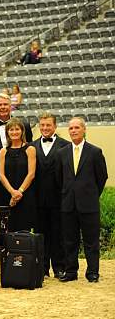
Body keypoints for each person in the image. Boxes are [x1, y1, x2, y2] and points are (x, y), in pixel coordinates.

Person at [56, 117, 108, 283]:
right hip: (68, 204)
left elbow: (102, 177)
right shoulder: (61, 153)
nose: (73, 131)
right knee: (69, 240)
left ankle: (92, 272)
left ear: (84, 130)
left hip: (89, 205)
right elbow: (59, 179)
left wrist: (91, 195)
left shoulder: (95, 152)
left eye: (77, 128)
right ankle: (71, 271)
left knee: (91, 241)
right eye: (71, 128)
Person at [31, 112, 69, 278]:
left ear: (55, 126)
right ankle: (42, 267)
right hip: (38, 199)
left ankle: (59, 267)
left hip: (59, 198)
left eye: (48, 125)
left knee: (58, 234)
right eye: (43, 125)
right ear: (39, 126)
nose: (45, 128)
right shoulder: (31, 146)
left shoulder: (65, 146)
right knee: (40, 234)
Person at [0, 93, 32, 205]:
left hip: (21, 179)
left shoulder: (24, 125)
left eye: (5, 104)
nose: (3, 107)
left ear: (11, 106)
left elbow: (29, 148)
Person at [0, 118, 37, 232]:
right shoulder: (3, 151)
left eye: (17, 129)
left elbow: (31, 174)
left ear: (22, 131)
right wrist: (12, 192)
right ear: (7, 133)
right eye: (11, 129)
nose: (14, 132)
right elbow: (1, 175)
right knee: (9, 228)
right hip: (7, 194)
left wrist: (19, 192)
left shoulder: (30, 149)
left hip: (25, 194)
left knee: (24, 229)